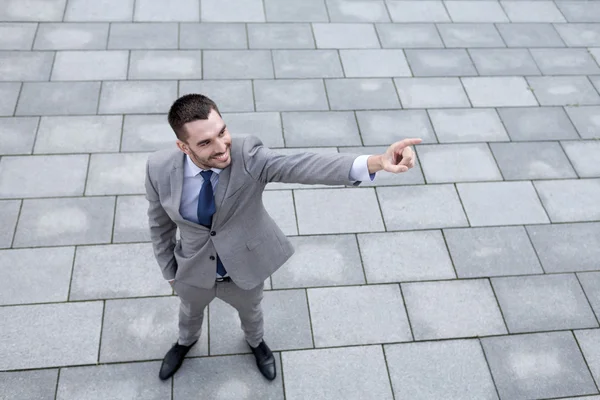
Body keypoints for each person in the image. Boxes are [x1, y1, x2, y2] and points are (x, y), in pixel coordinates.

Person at [145, 93, 421, 381]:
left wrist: (376, 162)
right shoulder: (158, 168)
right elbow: (159, 225)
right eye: (205, 143)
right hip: (191, 270)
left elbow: (303, 165)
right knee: (188, 314)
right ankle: (185, 342)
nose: (221, 147)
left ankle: (256, 344)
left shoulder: (249, 155)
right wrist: (170, 273)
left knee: (251, 314)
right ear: (183, 146)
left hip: (244, 269)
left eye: (222, 132)